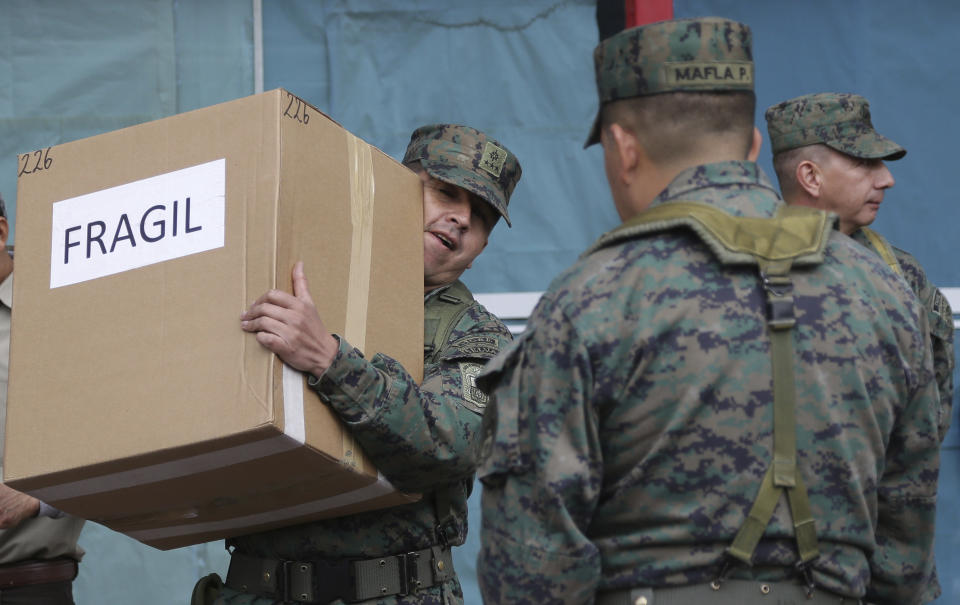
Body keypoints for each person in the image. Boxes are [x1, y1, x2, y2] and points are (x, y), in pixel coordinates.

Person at [475, 17, 940, 605]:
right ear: (750, 146)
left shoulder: (591, 298)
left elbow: (531, 568)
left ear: (624, 148)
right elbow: (905, 550)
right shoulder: (886, 292)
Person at [193, 124, 522, 605]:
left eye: (482, 215)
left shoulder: (479, 335)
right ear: (392, 190)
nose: (461, 219)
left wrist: (328, 359)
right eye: (445, 193)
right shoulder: (288, 279)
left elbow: (447, 444)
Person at [765, 92, 954, 443]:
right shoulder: (744, 267)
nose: (886, 179)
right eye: (864, 163)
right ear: (811, 176)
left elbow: (928, 416)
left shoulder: (901, 274)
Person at [0, 193, 85, 604]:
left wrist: (38, 500)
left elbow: (126, 444)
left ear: (0, 232)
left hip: (28, 590)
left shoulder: (61, 315)